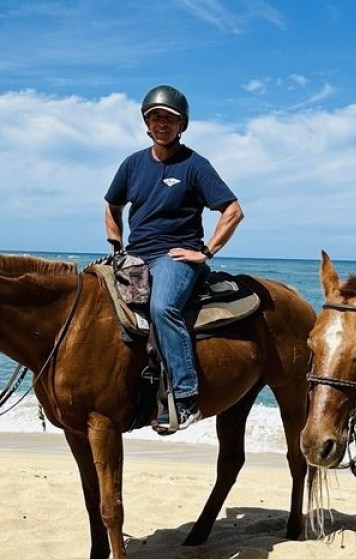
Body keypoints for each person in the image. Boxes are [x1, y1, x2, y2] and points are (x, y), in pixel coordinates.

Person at [104, 84, 244, 432]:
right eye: (156, 118)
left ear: (182, 125)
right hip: (134, 255)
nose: (162, 124)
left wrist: (205, 251)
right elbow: (112, 205)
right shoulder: (132, 164)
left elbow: (233, 211)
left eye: (170, 119)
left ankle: (185, 397)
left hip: (175, 257)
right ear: (146, 123)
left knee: (162, 307)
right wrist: (116, 243)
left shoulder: (195, 165)